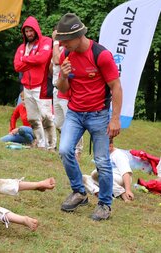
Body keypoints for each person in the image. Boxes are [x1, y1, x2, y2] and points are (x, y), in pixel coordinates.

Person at [55, 13, 123, 221]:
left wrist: (115, 119)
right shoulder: (66, 55)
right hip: (75, 113)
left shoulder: (101, 55)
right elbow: (62, 88)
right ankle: (79, 192)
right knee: (65, 150)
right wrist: (63, 76)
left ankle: (105, 204)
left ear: (78, 36)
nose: (63, 45)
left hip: (99, 115)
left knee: (102, 161)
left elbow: (116, 86)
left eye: (66, 40)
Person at [13, 16, 57, 151]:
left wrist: (25, 59)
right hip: (27, 86)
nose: (29, 34)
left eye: (31, 31)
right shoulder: (22, 46)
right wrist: (32, 60)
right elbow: (17, 66)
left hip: (42, 85)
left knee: (46, 117)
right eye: (26, 31)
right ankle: (40, 143)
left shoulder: (46, 41)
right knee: (32, 118)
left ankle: (51, 146)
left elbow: (43, 58)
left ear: (36, 30)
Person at [50, 27, 83, 160]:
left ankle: (77, 151)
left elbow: (57, 60)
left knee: (72, 122)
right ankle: (68, 147)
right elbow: (53, 65)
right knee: (58, 123)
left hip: (67, 90)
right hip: (55, 88)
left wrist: (55, 42)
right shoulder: (58, 48)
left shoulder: (67, 49)